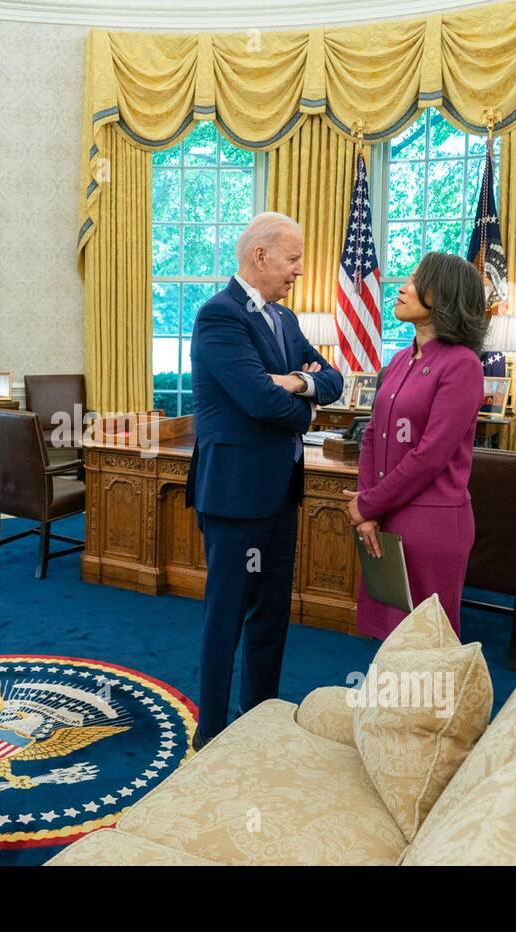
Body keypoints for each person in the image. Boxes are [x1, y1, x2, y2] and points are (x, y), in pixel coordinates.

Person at [185, 212, 344, 749]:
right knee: (225, 620)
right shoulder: (218, 317)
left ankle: (259, 725)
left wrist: (296, 381)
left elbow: (335, 380)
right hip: (233, 496)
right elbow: (256, 399)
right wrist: (306, 408)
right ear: (261, 256)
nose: (299, 270)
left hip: (281, 492)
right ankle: (210, 737)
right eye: (294, 258)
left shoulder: (286, 319)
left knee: (273, 617)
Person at [343, 251, 487, 638]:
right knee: (388, 638)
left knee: (425, 645)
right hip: (384, 519)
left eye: (414, 280)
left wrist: (367, 504)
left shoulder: (463, 365)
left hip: (432, 526)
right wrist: (368, 507)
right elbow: (372, 434)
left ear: (442, 295)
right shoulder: (399, 359)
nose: (402, 287)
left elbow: (430, 457)